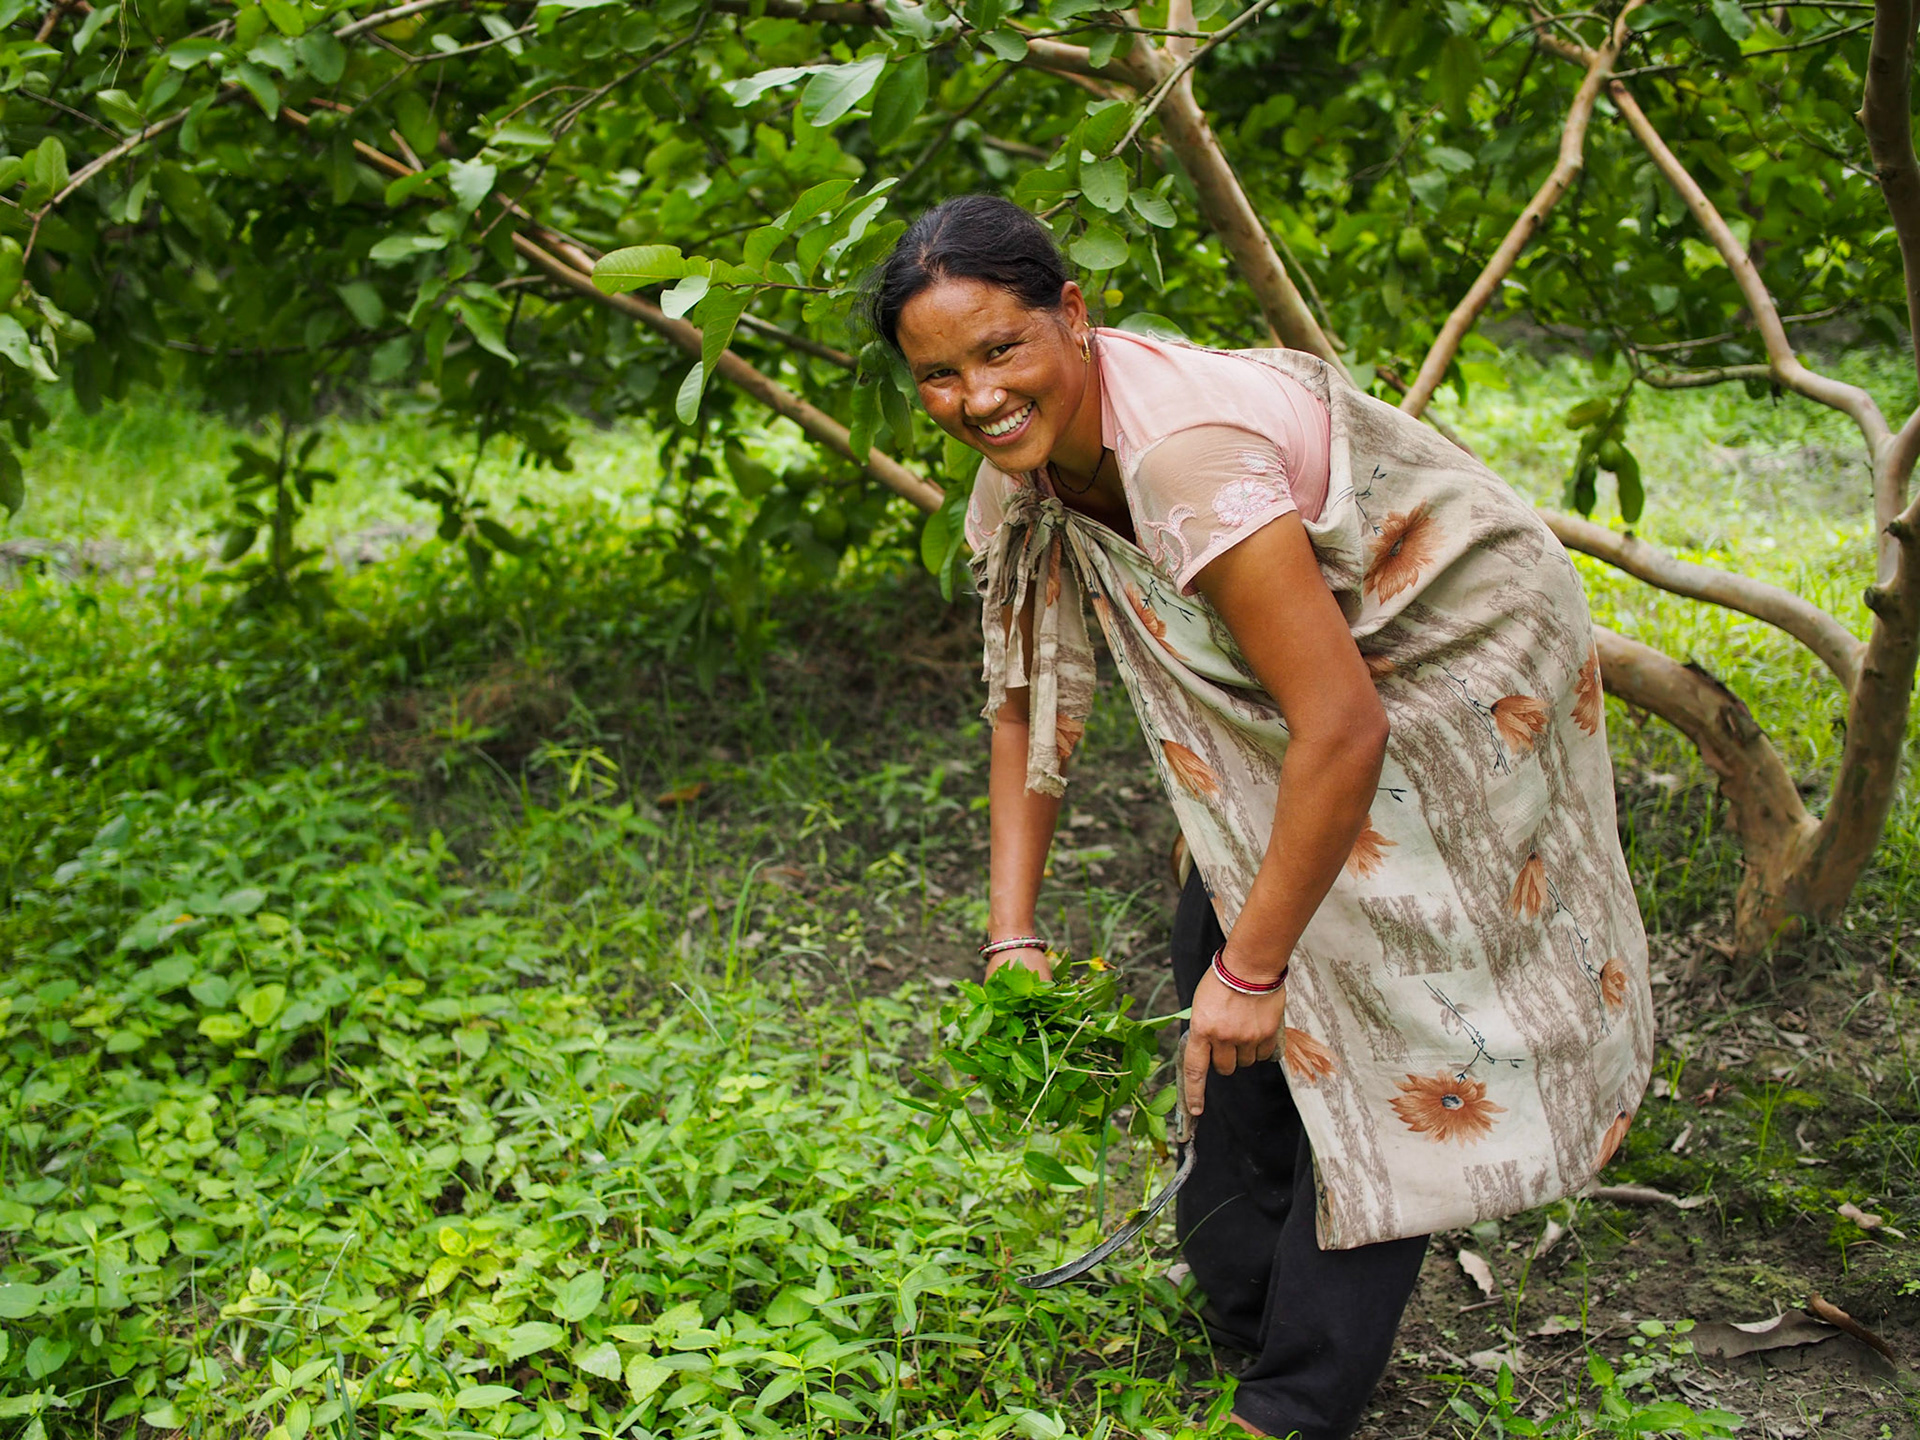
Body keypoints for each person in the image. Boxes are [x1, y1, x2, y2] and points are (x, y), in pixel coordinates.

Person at [865, 194, 1651, 1440]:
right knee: (1215, 971)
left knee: (1369, 1017)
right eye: (938, 376)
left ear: (1073, 313)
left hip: (1450, 662)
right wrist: (1013, 929)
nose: (977, 396)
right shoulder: (1017, 480)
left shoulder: (1182, 456)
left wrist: (1264, 961)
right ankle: (1241, 1305)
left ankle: (1292, 1404)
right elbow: (1019, 699)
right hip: (1325, 691)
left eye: (1002, 349)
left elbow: (1343, 726)